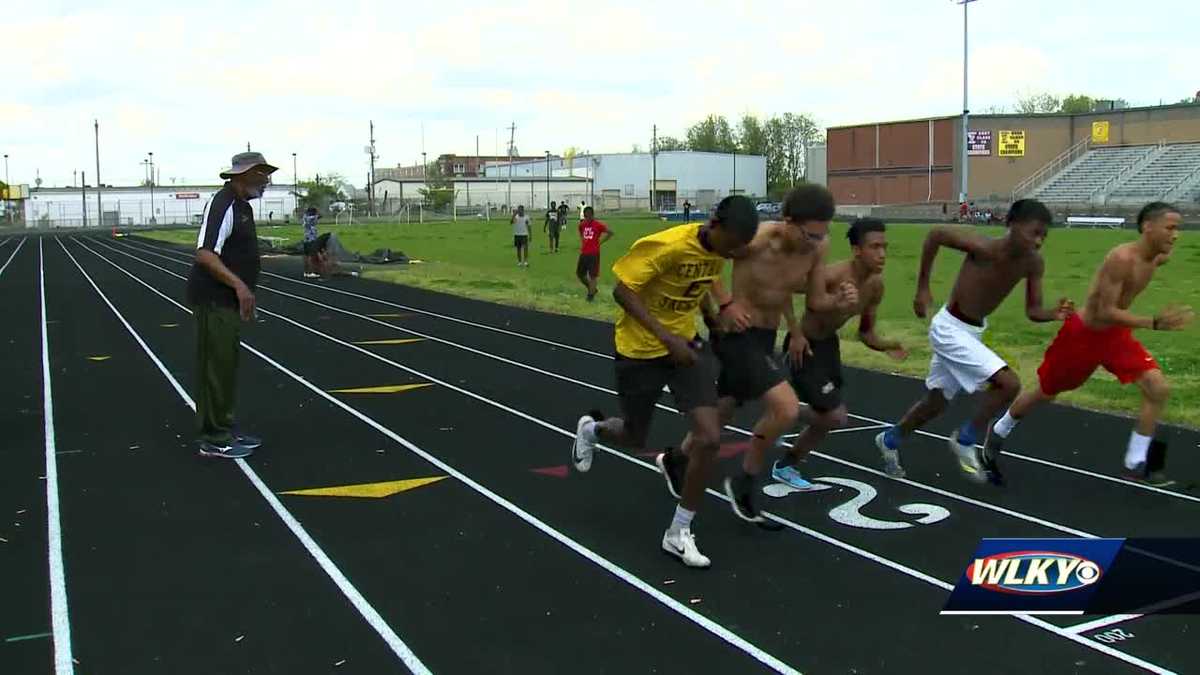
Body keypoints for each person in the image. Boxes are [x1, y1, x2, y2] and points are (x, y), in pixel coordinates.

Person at [570, 196, 760, 568]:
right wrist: (665, 338)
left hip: (686, 348)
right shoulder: (668, 245)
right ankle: (592, 430)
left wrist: (714, 317)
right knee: (633, 436)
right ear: (715, 225)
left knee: (709, 437)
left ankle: (678, 531)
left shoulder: (719, 250)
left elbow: (700, 281)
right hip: (641, 351)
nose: (736, 251)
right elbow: (622, 291)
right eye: (733, 243)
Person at [679, 184, 857, 523]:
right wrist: (722, 305)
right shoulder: (757, 240)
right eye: (809, 235)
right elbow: (707, 257)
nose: (815, 243)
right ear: (788, 221)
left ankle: (676, 459)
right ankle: (744, 480)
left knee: (725, 409)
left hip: (764, 336)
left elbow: (815, 300)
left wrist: (840, 303)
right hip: (735, 333)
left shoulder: (817, 248)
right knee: (786, 407)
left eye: (822, 236)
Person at [987, 202, 1192, 486]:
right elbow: (1104, 311)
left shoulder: (1156, 258)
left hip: (1115, 337)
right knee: (1046, 393)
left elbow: (1116, 315)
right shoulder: (1121, 258)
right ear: (1148, 227)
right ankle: (1000, 429)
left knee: (1157, 388)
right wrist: (1154, 323)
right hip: (1082, 337)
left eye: (1177, 229)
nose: (1176, 235)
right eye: (1170, 228)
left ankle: (1135, 464)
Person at [874, 199, 1073, 481]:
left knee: (937, 403)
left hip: (972, 332)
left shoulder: (1032, 263)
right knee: (1009, 384)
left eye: (1044, 235)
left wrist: (1053, 313)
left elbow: (1032, 310)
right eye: (1034, 232)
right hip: (948, 327)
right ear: (1012, 225)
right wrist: (922, 288)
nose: (1039, 241)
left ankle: (890, 439)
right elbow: (935, 235)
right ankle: (965, 440)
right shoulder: (984, 248)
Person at [773, 217, 907, 489]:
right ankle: (782, 410)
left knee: (827, 418)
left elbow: (865, 333)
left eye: (885, 247)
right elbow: (783, 285)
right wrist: (795, 333)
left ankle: (787, 465)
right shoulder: (833, 275)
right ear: (857, 250)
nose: (882, 254)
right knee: (835, 416)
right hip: (804, 346)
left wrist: (888, 345)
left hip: (828, 347)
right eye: (874, 247)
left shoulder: (875, 287)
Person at [185, 151, 276, 459]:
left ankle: (223, 424)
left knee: (226, 365)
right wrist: (239, 286)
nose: (266, 180)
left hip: (228, 300)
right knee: (216, 366)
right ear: (243, 174)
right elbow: (206, 253)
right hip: (214, 299)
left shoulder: (241, 207)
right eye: (261, 174)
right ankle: (213, 437)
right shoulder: (223, 204)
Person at [577, 206, 613, 301]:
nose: (587, 218)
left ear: (592, 215)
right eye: (585, 216)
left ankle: (590, 296)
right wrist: (583, 241)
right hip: (584, 252)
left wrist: (601, 241)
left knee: (593, 275)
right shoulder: (582, 225)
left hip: (594, 253)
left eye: (589, 216)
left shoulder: (598, 225)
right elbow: (581, 233)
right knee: (580, 274)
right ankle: (592, 288)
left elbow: (610, 233)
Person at [302, 207, 321, 278]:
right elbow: (319, 216)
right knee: (312, 256)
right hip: (311, 240)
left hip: (306, 239)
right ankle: (312, 272)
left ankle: (306, 272)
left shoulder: (305, 217)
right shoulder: (311, 218)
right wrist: (317, 212)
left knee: (306, 256)